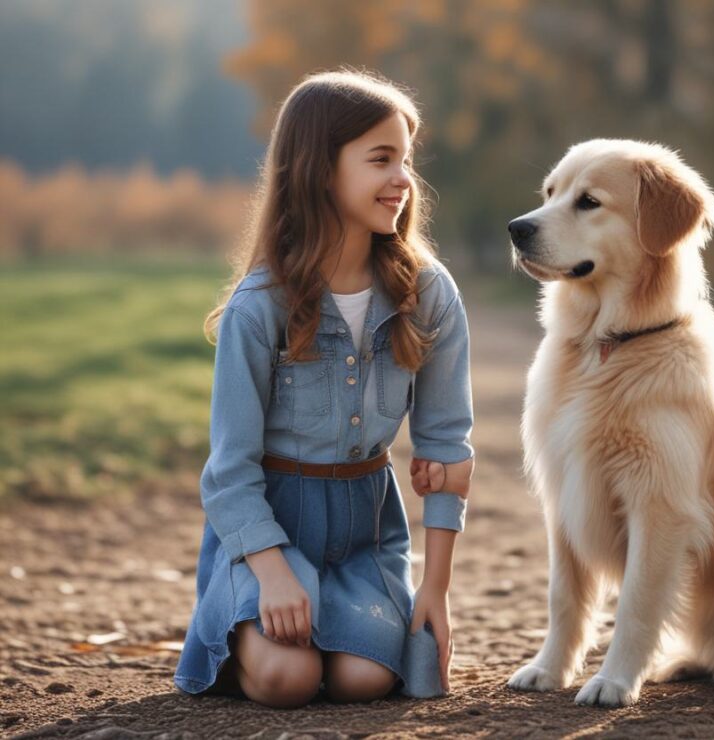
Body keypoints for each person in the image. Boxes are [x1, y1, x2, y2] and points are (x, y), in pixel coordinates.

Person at [172, 69, 474, 708]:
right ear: (318, 169)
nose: (403, 180)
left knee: (365, 682)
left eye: (407, 161)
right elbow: (228, 474)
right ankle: (241, 628)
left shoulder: (430, 296)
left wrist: (435, 594)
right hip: (268, 531)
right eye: (380, 159)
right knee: (289, 679)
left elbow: (447, 449)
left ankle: (332, 630)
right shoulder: (259, 309)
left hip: (365, 532)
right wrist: (274, 573)